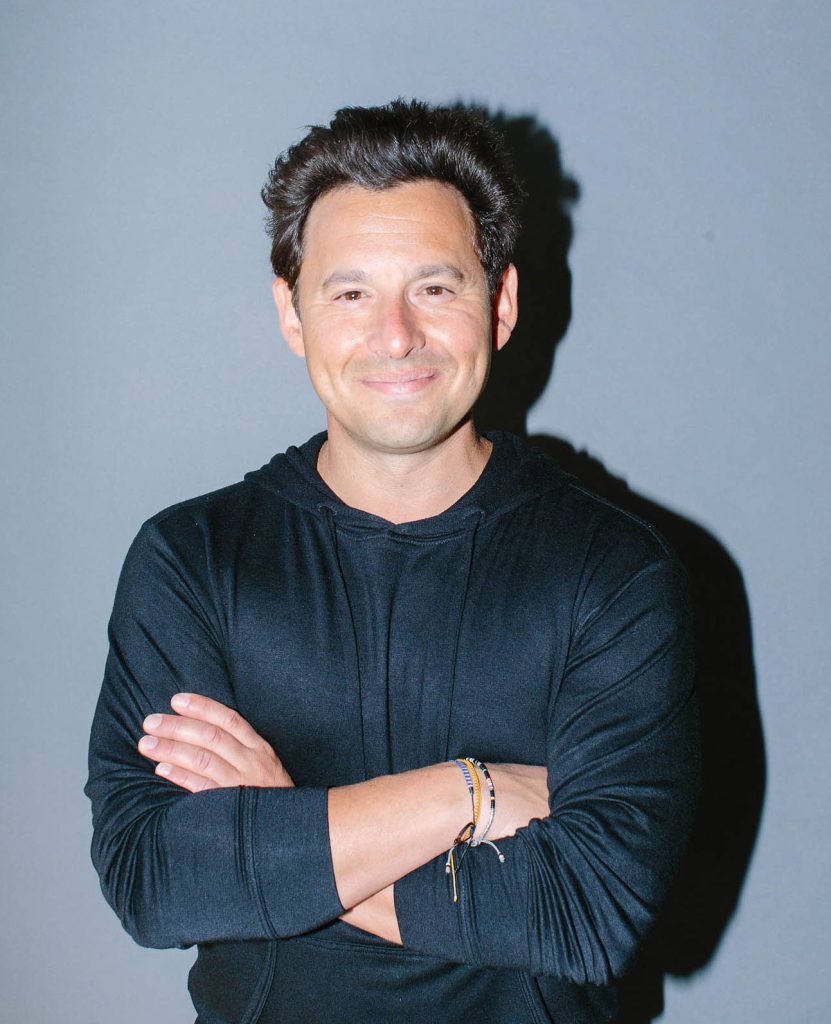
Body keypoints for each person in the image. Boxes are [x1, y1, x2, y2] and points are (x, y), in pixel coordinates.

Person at [86, 99, 699, 1023]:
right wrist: (469, 792)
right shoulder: (192, 560)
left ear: (500, 303)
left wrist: (281, 823)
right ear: (292, 314)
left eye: (435, 288)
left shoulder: (612, 571)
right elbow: (155, 880)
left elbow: (585, 914)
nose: (396, 335)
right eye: (350, 294)